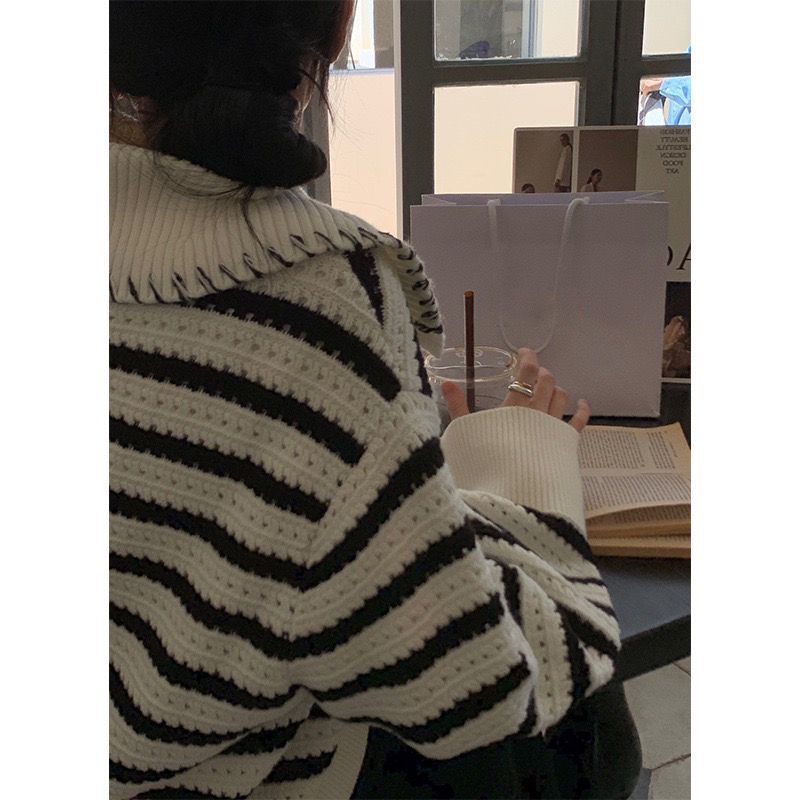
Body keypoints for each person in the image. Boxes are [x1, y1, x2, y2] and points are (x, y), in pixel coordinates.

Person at [109, 3, 640, 799]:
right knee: (600, 737)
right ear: (333, 31)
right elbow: (485, 682)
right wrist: (522, 455)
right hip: (266, 778)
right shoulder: (318, 305)